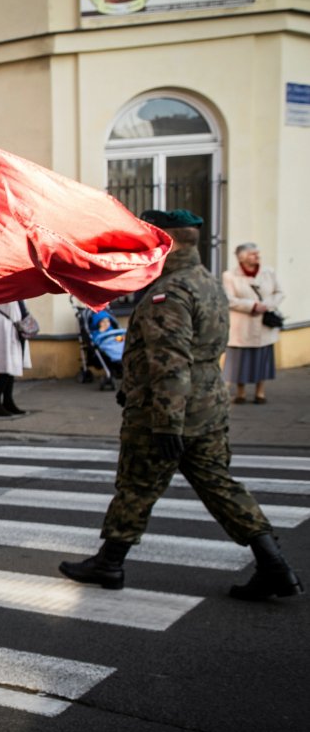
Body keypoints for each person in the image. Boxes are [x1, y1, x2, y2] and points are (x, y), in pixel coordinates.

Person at [59, 209, 302, 601]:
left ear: (165, 245)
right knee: (220, 486)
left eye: (148, 244)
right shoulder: (206, 283)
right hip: (208, 407)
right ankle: (275, 567)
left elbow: (170, 361)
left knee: (137, 485)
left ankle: (109, 563)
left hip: (166, 410)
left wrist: (167, 422)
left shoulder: (167, 292)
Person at [222, 242, 285, 405]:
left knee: (262, 358)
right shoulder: (230, 276)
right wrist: (252, 305)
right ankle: (240, 393)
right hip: (242, 325)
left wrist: (267, 305)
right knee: (239, 361)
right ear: (242, 257)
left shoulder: (268, 272)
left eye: (257, 253)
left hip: (263, 324)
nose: (257, 256)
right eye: (252, 254)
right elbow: (228, 299)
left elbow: (279, 292)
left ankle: (260, 392)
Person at [0, 301, 31, 416]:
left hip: (13, 326)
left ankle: (8, 401)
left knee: (12, 367)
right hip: (4, 327)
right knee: (5, 367)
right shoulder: (2, 287)